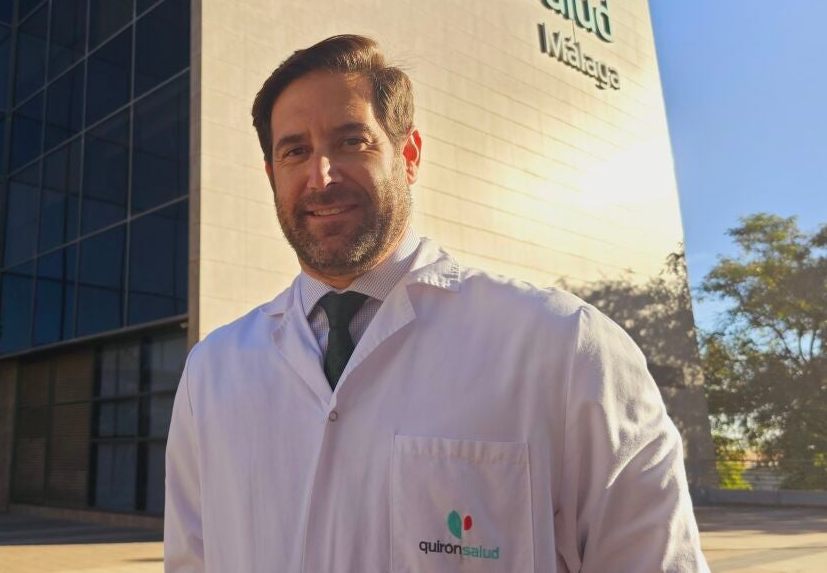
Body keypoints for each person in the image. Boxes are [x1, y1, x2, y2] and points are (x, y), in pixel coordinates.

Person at [163, 35, 709, 572]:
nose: (321, 176)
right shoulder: (212, 373)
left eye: (352, 141)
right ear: (271, 175)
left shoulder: (566, 349)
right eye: (295, 151)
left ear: (409, 155)